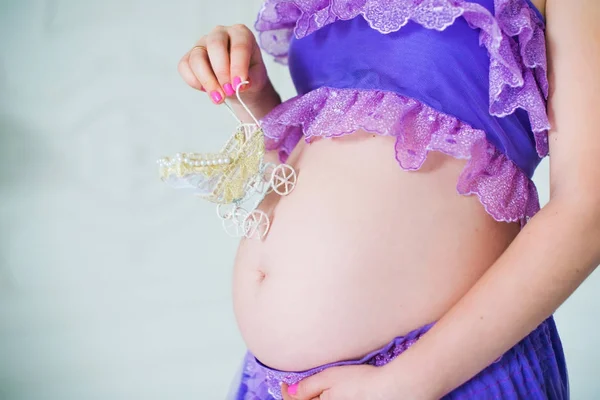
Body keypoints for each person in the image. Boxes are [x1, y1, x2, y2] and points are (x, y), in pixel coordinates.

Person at [175, 0, 599, 398]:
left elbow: (588, 209)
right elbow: (334, 160)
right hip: (275, 381)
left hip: (443, 375)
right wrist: (253, 96)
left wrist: (405, 384)